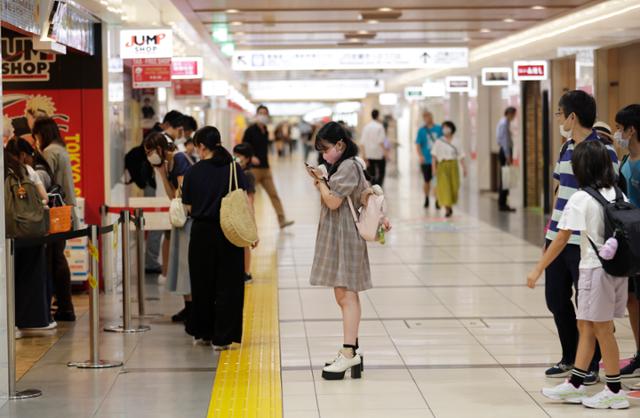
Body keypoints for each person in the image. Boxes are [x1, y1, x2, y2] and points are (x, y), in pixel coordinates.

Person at [528, 140, 630, 409]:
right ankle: (575, 384)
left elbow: (561, 239)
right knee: (586, 326)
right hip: (616, 271)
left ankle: (614, 389)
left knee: (602, 330)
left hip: (594, 271)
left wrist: (539, 268)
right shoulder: (618, 194)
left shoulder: (581, 198)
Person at [542, 90, 619, 383]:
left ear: (572, 116)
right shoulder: (565, 148)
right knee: (556, 299)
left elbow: (609, 195)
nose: (559, 119)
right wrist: (550, 228)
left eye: (560, 114)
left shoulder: (602, 149)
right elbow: (559, 190)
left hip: (586, 241)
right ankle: (570, 357)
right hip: (558, 235)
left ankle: (590, 365)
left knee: (590, 304)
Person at [307, 121, 390, 380]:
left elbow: (332, 201)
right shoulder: (349, 164)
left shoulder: (347, 166)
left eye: (326, 149)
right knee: (345, 294)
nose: (323, 155)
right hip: (342, 235)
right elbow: (363, 193)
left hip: (345, 236)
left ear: (340, 145)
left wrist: (319, 181)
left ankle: (348, 352)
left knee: (346, 295)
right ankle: (351, 350)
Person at [182, 126, 251, 350]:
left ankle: (203, 331)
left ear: (202, 146)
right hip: (229, 231)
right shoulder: (234, 168)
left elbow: (188, 206)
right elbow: (245, 200)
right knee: (229, 285)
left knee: (202, 283)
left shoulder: (193, 172)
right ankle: (222, 337)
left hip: (202, 232)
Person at [3, 147, 53, 332]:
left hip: (9, 233)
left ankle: (9, 324)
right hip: (31, 231)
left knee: (8, 278)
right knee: (29, 276)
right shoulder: (25, 169)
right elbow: (44, 198)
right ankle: (33, 321)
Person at [32, 117, 77, 322]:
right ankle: (63, 305)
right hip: (65, 211)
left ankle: (64, 307)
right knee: (57, 257)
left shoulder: (50, 152)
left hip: (56, 213)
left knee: (55, 259)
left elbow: (43, 180)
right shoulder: (61, 149)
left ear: (41, 134)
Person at [143, 132, 192, 286]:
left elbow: (183, 192)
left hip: (192, 215)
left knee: (187, 261)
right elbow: (172, 196)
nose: (148, 156)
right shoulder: (167, 165)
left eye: (149, 152)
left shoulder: (179, 159)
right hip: (184, 215)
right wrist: (163, 175)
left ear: (159, 148)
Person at [614, 104, 640, 383]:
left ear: (631, 129)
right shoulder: (624, 161)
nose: (618, 133)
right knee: (632, 299)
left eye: (621, 128)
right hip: (630, 238)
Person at [242, 105, 294, 229]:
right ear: (257, 114)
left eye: (265, 113)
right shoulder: (250, 130)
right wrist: (251, 156)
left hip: (265, 169)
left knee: (274, 194)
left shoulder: (265, 130)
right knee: (247, 197)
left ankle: (282, 220)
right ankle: (243, 222)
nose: (263, 115)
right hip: (253, 170)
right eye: (260, 112)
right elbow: (243, 147)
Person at [431, 121, 467, 218]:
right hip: (442, 166)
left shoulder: (457, 141)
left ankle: (450, 204)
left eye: (447, 127)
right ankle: (447, 208)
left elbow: (461, 155)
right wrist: (433, 169)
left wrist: (464, 168)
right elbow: (434, 156)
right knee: (444, 187)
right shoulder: (439, 141)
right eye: (443, 127)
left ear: (452, 129)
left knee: (454, 187)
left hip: (453, 166)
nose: (445, 129)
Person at [233, 143, 257, 284]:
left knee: (245, 243)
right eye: (234, 154)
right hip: (235, 210)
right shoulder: (234, 172)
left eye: (239, 155)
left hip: (244, 212)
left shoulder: (248, 175)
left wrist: (252, 222)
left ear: (247, 159)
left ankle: (246, 272)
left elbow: (250, 199)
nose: (235, 157)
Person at [415, 110, 443, 208]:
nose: (427, 118)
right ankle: (426, 198)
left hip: (438, 160)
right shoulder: (421, 131)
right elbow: (418, 145)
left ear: (432, 116)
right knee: (427, 181)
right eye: (425, 117)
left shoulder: (439, 129)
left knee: (437, 181)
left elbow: (443, 143)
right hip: (426, 160)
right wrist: (420, 156)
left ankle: (437, 199)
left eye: (428, 116)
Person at [497, 107, 517, 212]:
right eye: (514, 114)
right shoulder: (504, 123)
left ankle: (503, 202)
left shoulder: (503, 122)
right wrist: (508, 156)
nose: (514, 116)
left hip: (504, 152)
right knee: (505, 178)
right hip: (505, 153)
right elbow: (504, 141)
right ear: (509, 113)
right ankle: (503, 203)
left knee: (505, 178)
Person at [360, 109, 386, 186]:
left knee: (371, 171)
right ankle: (379, 185)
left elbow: (362, 142)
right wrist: (385, 152)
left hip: (369, 153)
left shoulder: (366, 127)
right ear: (378, 116)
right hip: (379, 153)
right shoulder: (380, 126)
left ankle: (374, 185)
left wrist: (364, 154)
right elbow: (381, 141)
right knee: (381, 171)